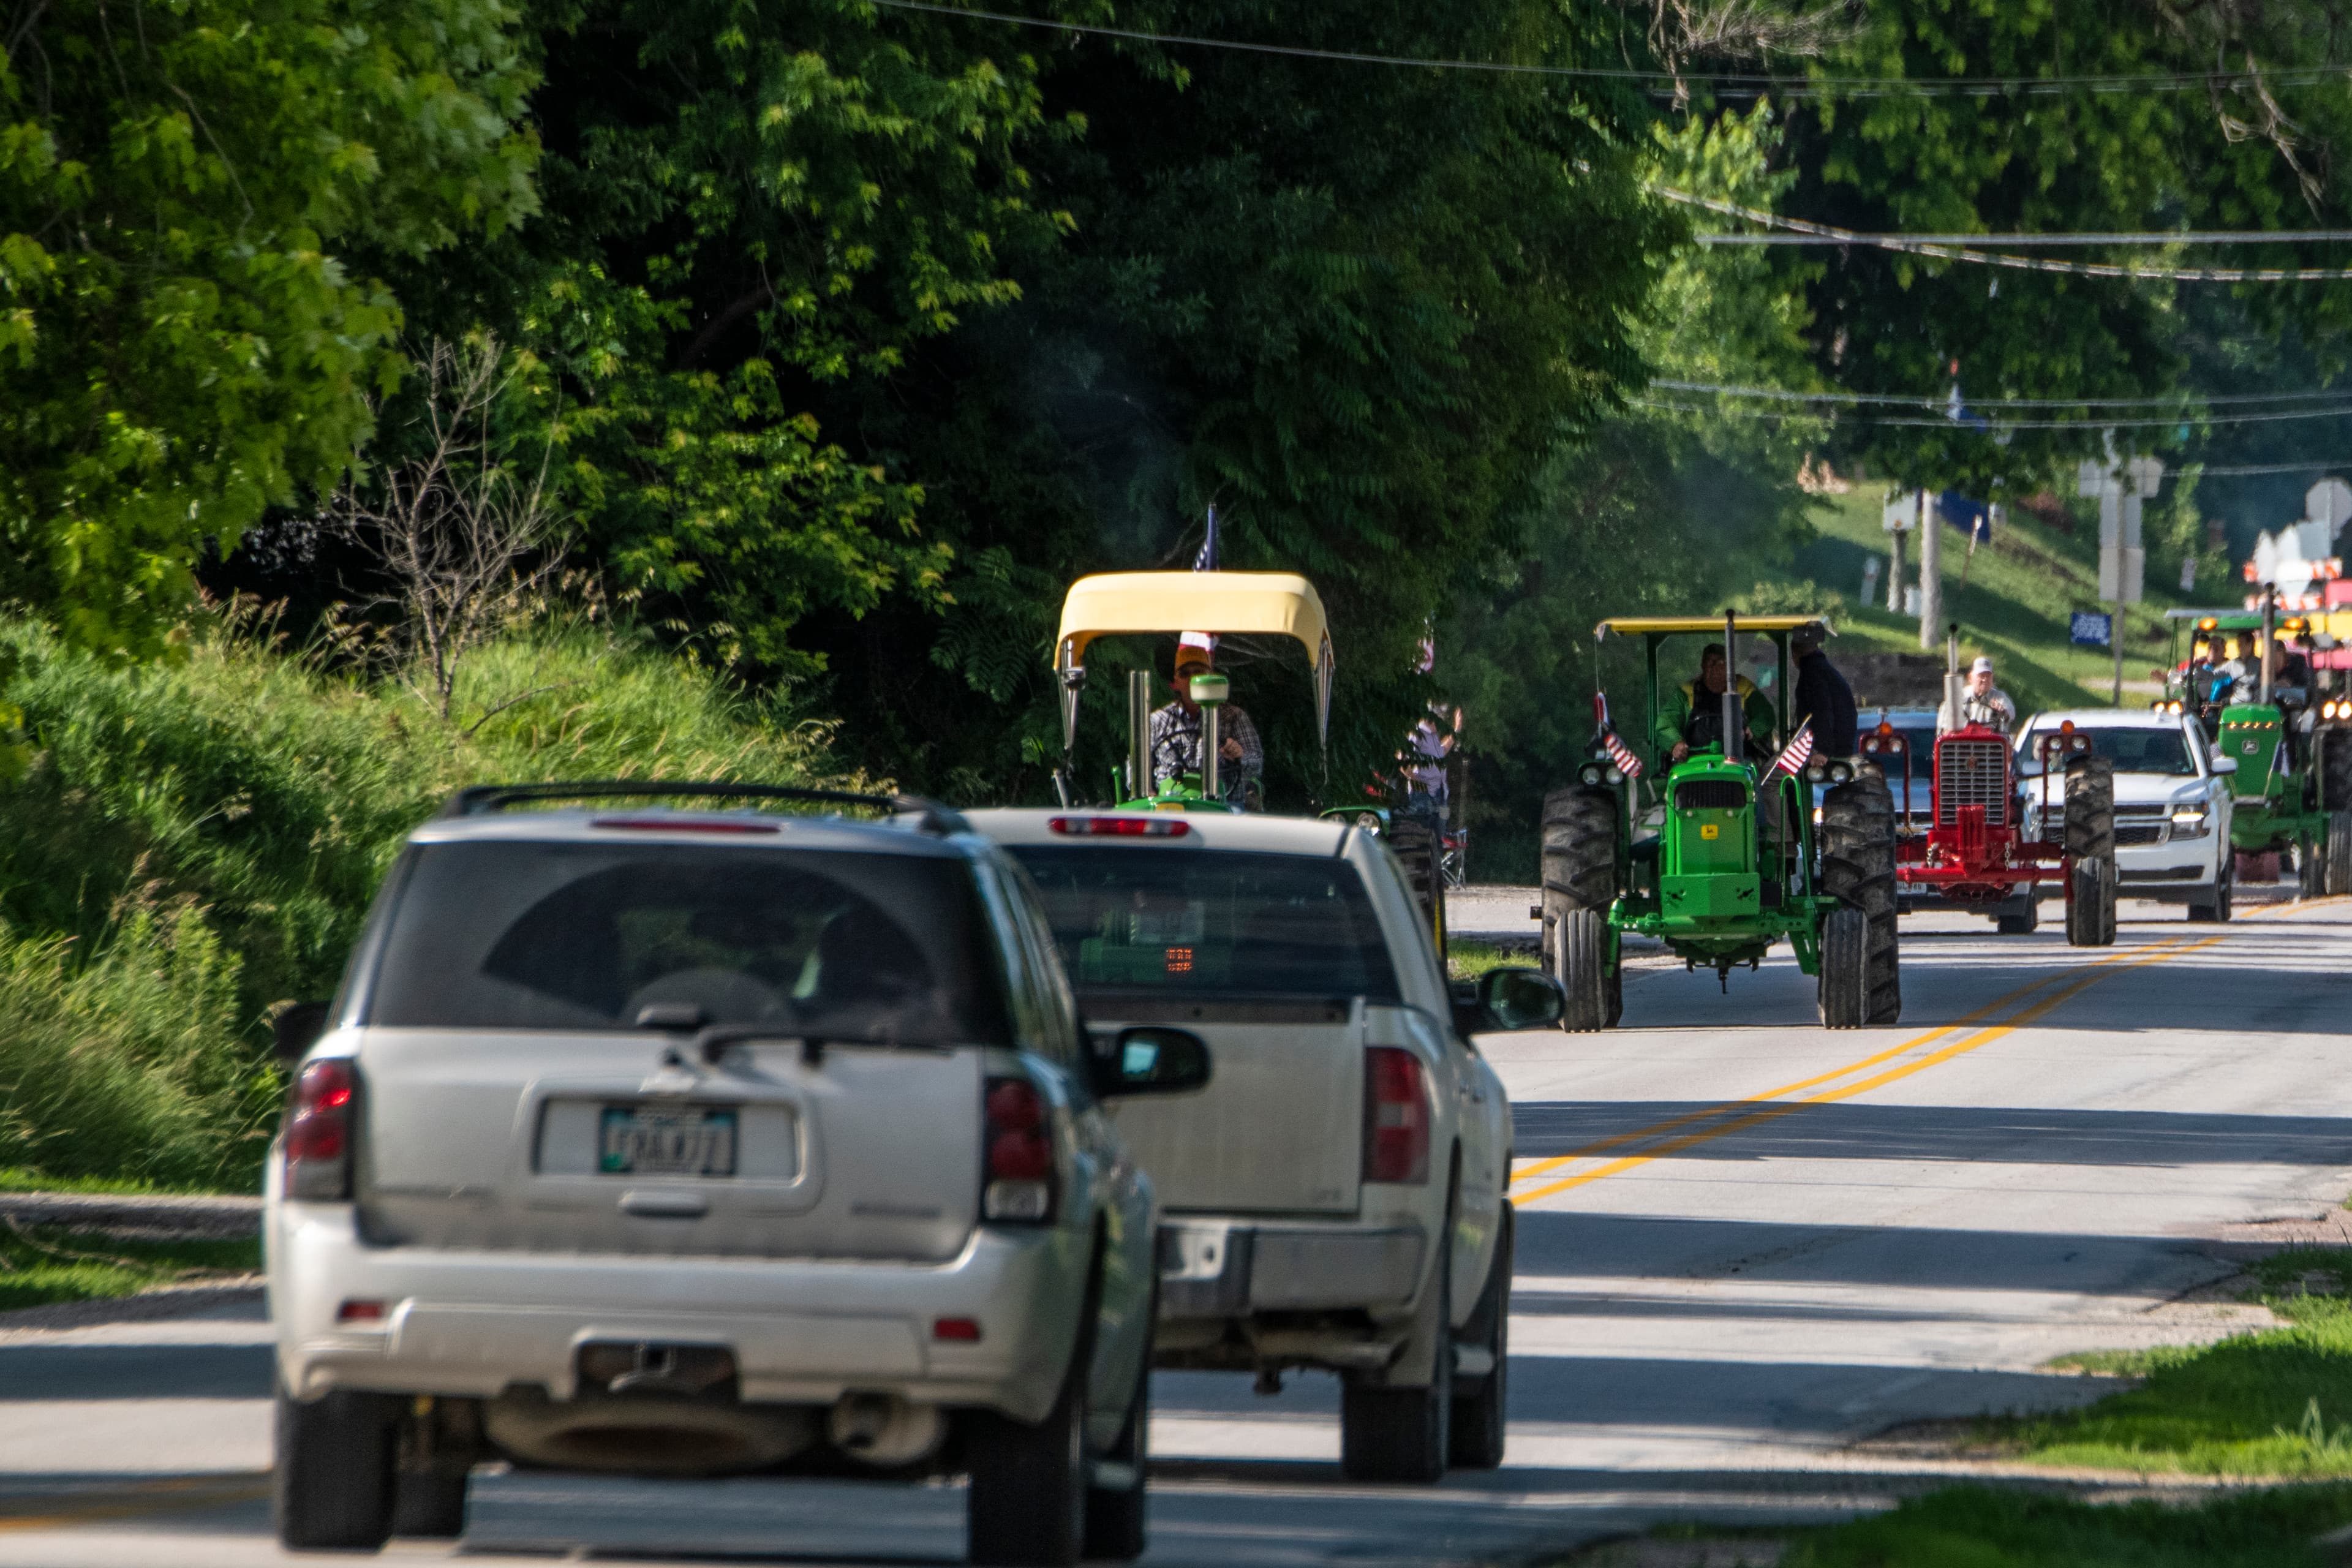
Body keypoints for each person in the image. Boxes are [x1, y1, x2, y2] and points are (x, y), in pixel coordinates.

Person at [1147, 638, 1263, 805]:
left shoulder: (1234, 717)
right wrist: (1150, 795)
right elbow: (1135, 769)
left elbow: (1257, 765)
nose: (1193, 679)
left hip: (1224, 806)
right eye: (1185, 674)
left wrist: (1240, 757)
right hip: (1170, 804)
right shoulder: (1158, 720)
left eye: (1198, 672)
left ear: (1210, 676)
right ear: (1175, 682)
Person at [1653, 642, 1776, 765]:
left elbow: (1766, 715)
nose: (1714, 668)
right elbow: (1665, 722)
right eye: (1709, 662)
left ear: (1729, 666)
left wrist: (1752, 730)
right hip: (1693, 762)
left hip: (1740, 761)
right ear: (1703, 666)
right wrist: (1675, 743)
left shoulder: (1745, 689)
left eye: (1720, 662)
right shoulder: (1686, 693)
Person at [1789, 624, 1858, 757]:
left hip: (1829, 751)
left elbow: (1822, 711)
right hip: (1840, 745)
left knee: (1771, 771)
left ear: (1794, 652)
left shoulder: (1813, 673)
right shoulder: (1823, 669)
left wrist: (1822, 750)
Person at [1941, 655, 2018, 733]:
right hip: (1963, 743)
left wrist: (2002, 712)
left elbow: (2011, 713)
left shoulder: (1999, 697)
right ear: (1970, 678)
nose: (1985, 680)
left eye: (1988, 676)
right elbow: (1945, 727)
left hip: (1991, 743)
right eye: (1981, 676)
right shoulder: (1958, 697)